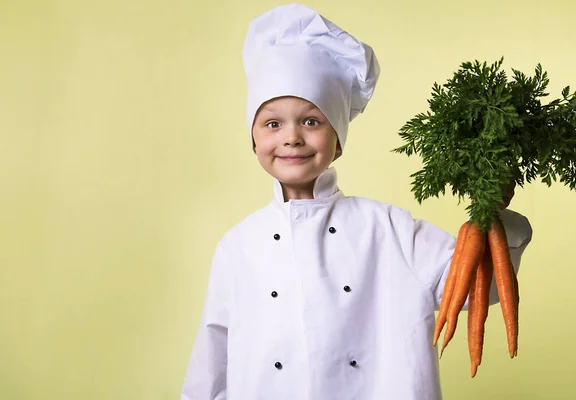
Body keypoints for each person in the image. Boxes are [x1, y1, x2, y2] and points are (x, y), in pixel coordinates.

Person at [181, 3, 533, 399]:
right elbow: (212, 365)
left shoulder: (389, 229)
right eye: (273, 123)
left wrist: (494, 215)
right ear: (254, 140)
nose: (292, 137)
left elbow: (477, 290)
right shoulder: (237, 247)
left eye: (311, 121)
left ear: (338, 142)